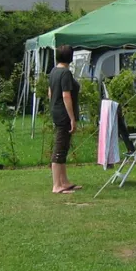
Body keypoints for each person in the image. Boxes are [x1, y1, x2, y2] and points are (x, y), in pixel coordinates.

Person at [48, 45, 81, 194]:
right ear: (70, 58)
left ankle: (64, 181)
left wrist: (54, 106)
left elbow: (50, 92)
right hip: (64, 114)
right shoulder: (65, 73)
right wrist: (72, 118)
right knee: (60, 148)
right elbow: (66, 95)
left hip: (56, 111)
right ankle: (57, 185)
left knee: (64, 146)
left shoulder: (54, 71)